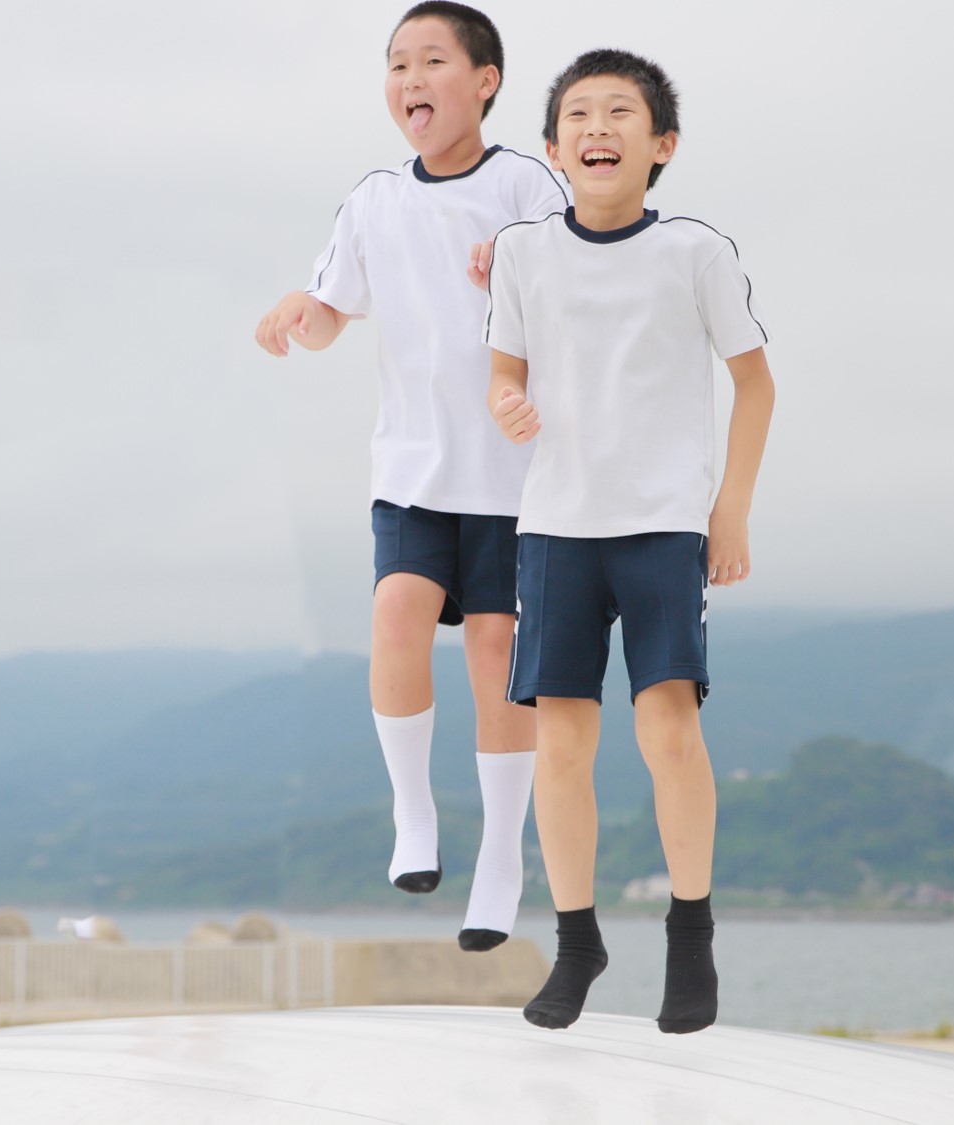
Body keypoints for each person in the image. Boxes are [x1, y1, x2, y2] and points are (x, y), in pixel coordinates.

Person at [254, 2, 567, 951]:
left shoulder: (524, 183)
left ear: (485, 81)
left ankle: (502, 858)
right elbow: (331, 313)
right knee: (395, 614)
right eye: (397, 64)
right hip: (412, 467)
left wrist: (514, 264)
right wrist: (300, 311)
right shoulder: (374, 200)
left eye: (434, 60)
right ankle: (414, 813)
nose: (411, 79)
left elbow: (573, 285)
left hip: (512, 475)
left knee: (494, 650)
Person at [483, 48, 776, 1031]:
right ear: (552, 146)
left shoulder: (695, 251)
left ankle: (689, 940)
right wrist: (508, 401)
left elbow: (754, 382)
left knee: (668, 733)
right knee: (560, 747)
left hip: (660, 524)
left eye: (620, 113)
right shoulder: (522, 252)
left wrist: (729, 507)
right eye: (578, 114)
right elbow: (501, 373)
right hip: (554, 529)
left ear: (663, 145)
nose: (597, 127)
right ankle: (577, 944)